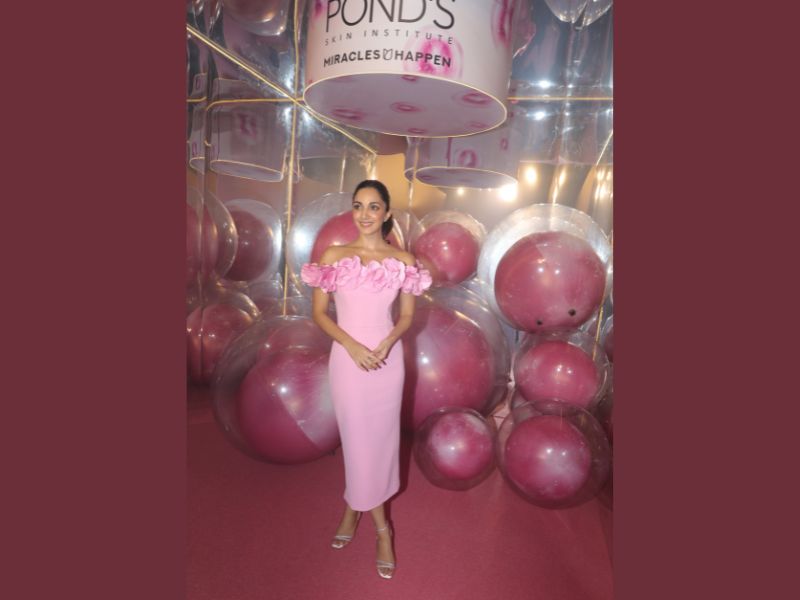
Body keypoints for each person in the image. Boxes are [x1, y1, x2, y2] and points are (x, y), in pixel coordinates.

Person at [301, 180, 431, 579]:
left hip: (387, 363)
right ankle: (382, 529)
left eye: (374, 207)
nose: (365, 214)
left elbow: (406, 316)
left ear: (387, 213)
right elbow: (319, 313)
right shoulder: (334, 255)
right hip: (348, 360)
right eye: (358, 206)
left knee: (381, 444)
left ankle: (352, 508)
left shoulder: (403, 260)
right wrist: (352, 346)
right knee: (357, 443)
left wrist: (388, 342)